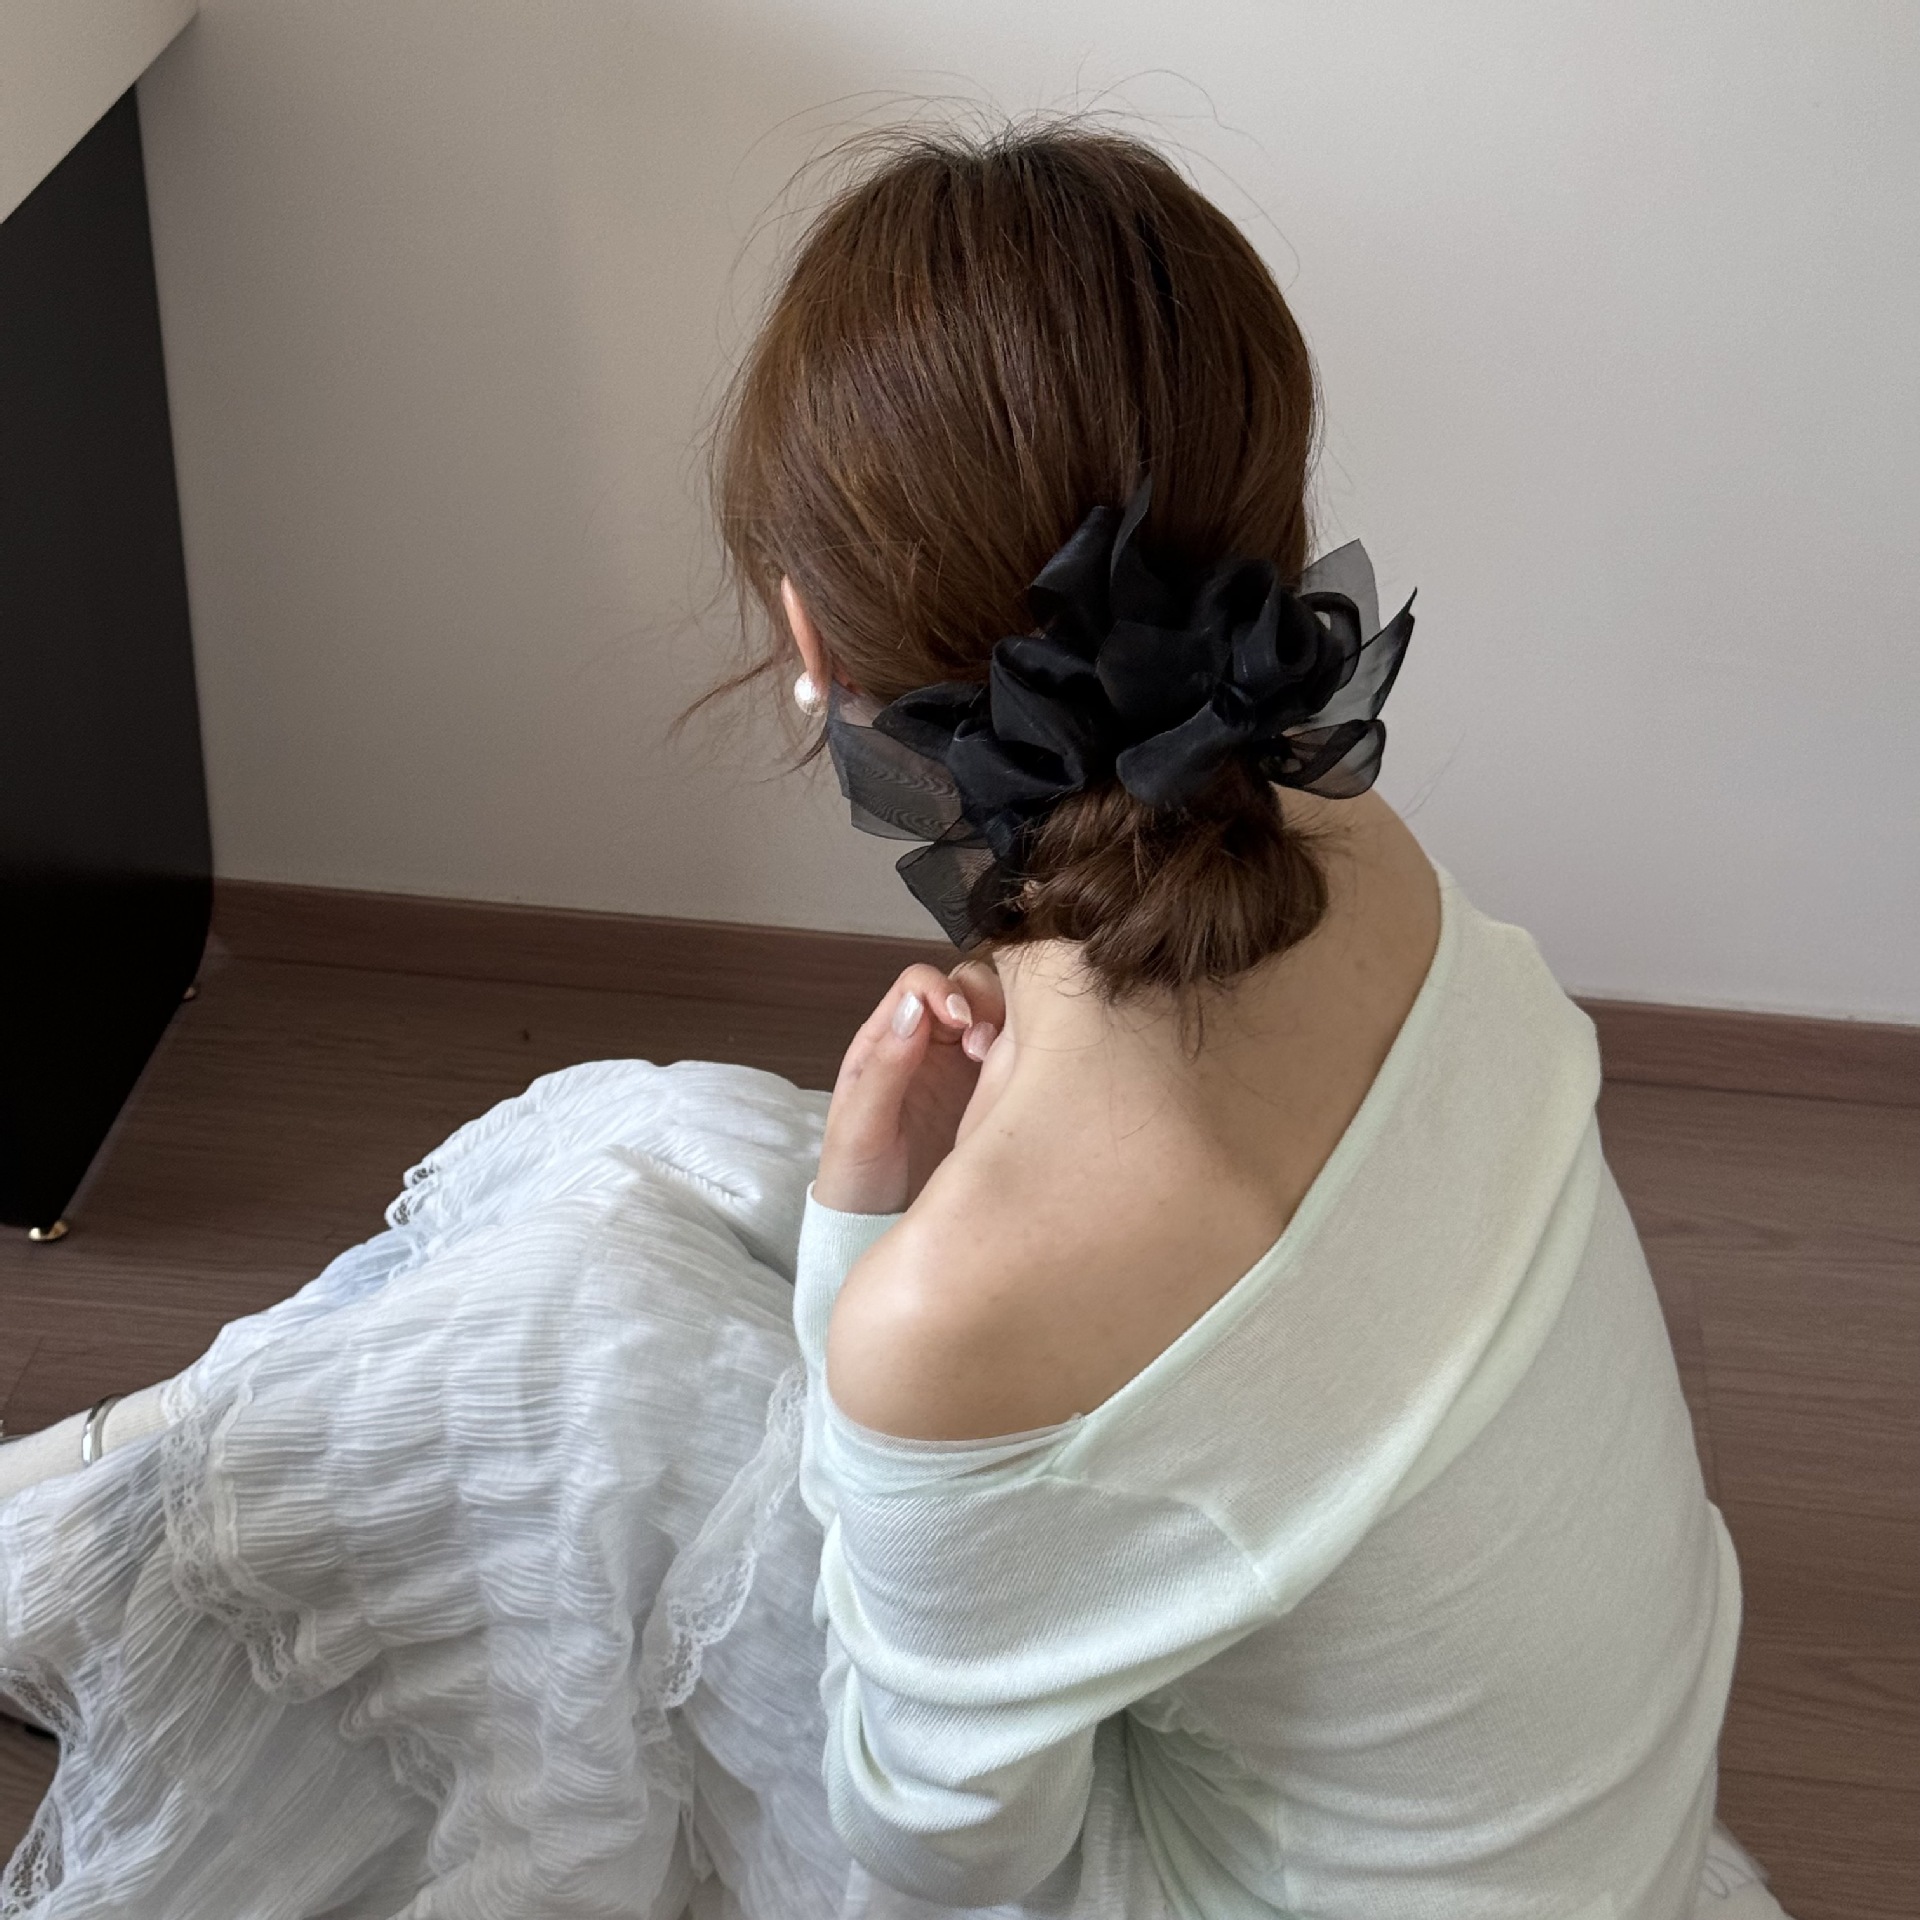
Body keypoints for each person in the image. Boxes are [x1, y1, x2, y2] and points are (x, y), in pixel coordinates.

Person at [0, 125, 1792, 1919]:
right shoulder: (1348, 843)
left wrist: (872, 1250)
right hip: (1565, 1823)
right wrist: (881, 1237)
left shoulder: (967, 1296)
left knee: (580, 1348)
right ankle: (133, 1488)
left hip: (1236, 1888)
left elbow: (940, 1848)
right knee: (662, 1139)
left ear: (811, 639)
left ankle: (106, 1534)